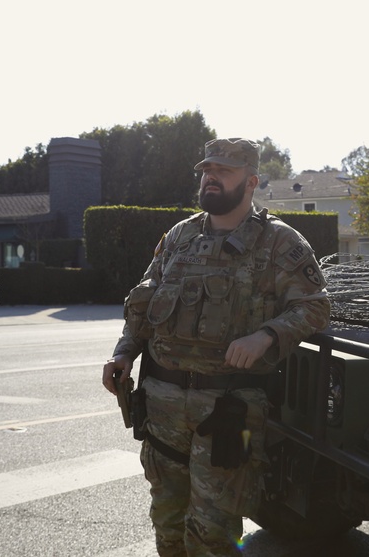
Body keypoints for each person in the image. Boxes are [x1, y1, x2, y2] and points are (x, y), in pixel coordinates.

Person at [102, 137, 330, 556]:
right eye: (207, 170)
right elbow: (145, 302)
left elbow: (315, 307)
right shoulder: (179, 236)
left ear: (251, 182)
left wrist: (266, 336)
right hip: (163, 404)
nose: (210, 177)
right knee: (167, 523)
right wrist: (123, 353)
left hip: (233, 412)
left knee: (215, 533)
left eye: (223, 171)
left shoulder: (280, 242)